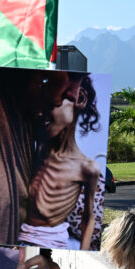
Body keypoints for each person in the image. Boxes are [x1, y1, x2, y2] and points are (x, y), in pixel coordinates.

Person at [19, 72, 102, 249]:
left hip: (52, 243)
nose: (42, 113)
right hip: (19, 238)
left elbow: (89, 217)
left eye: (51, 105)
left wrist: (83, 254)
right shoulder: (34, 149)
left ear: (79, 98)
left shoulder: (87, 167)